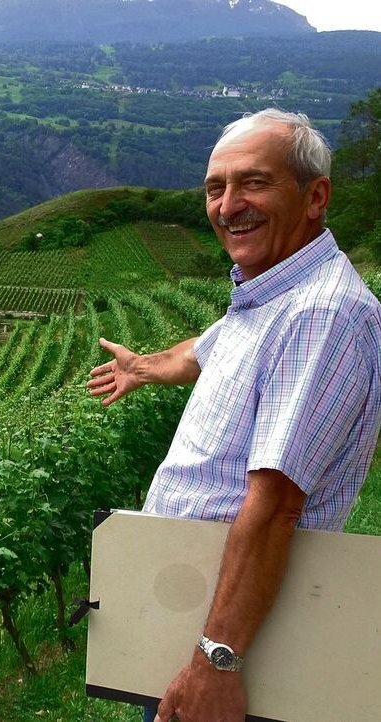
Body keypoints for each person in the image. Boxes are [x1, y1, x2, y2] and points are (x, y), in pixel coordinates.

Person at [87, 107, 381, 722]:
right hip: (202, 607)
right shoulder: (271, 293)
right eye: (215, 188)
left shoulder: (318, 316)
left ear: (315, 196)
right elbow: (209, 347)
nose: (228, 205)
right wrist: (147, 367)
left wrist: (216, 662)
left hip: (241, 644)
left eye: (254, 182)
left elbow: (275, 506)